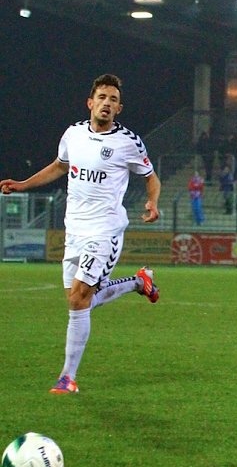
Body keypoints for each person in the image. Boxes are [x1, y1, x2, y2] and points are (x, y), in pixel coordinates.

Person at [0, 74, 161, 394]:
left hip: (105, 230)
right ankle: (137, 282)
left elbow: (151, 177)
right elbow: (59, 167)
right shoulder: (73, 134)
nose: (107, 103)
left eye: (113, 100)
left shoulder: (128, 141)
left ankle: (67, 377)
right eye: (102, 97)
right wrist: (23, 185)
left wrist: (153, 201)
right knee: (80, 302)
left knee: (78, 297)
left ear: (119, 108)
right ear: (91, 102)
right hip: (73, 229)